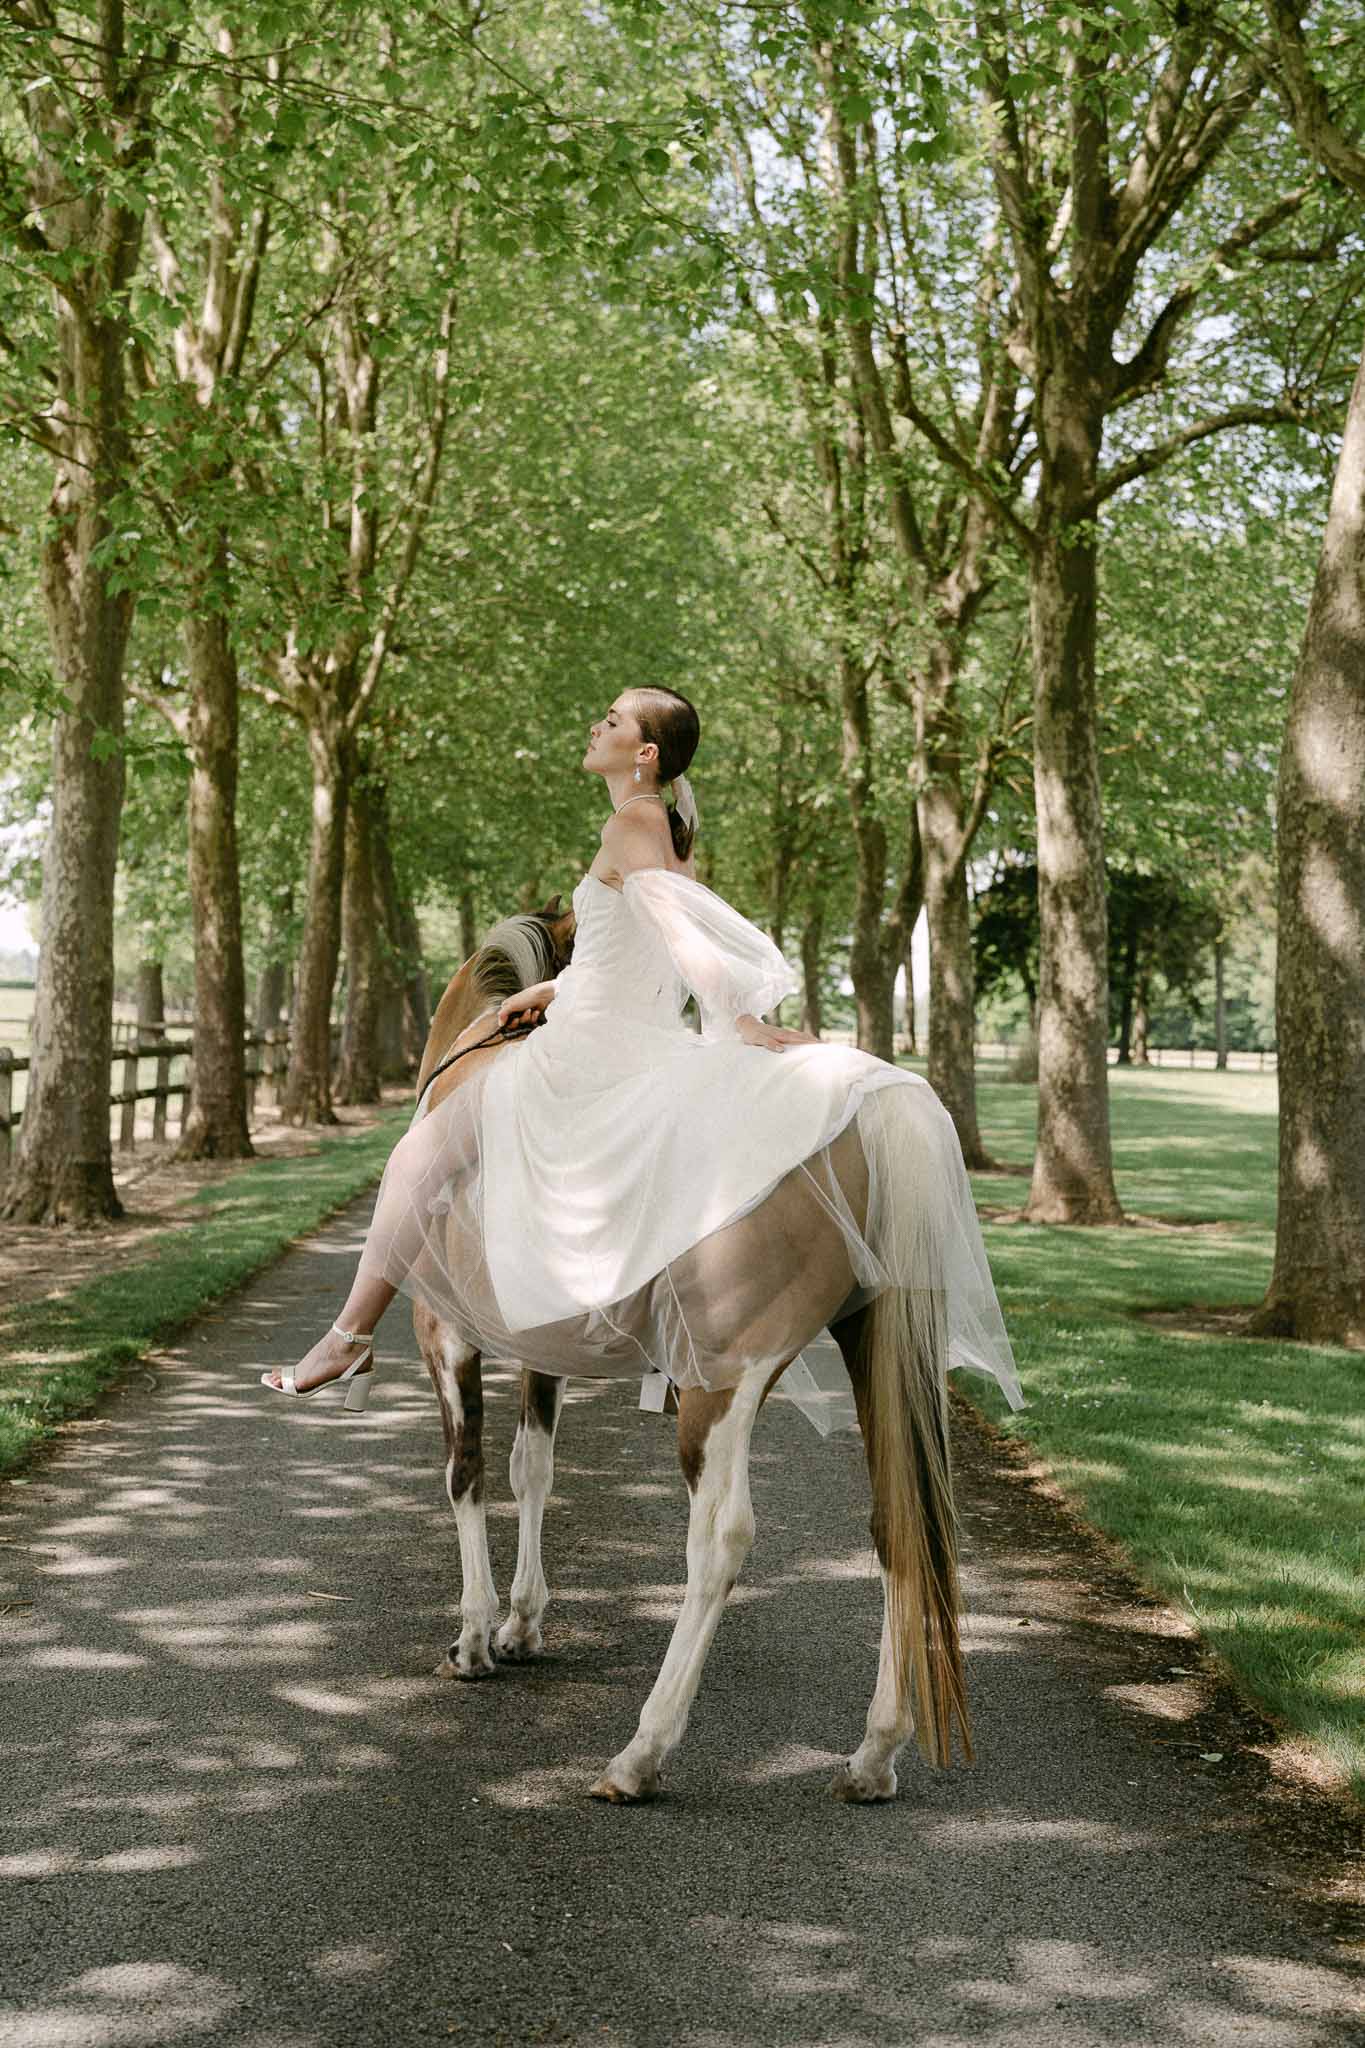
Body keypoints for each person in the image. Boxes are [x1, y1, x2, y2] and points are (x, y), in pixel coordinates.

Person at [263, 686, 1020, 1415]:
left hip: (590, 1049)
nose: (596, 726)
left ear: (644, 752)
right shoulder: (653, 824)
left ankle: (348, 1338)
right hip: (613, 1021)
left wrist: (740, 1017)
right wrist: (544, 991)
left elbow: (680, 940)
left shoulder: (629, 825)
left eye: (612, 719)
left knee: (417, 1156)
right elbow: (624, 956)